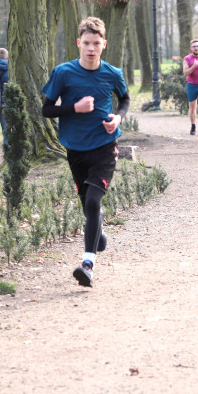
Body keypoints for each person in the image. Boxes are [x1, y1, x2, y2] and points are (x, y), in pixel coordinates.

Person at [41, 17, 130, 287]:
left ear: (104, 44)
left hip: (104, 146)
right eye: (86, 43)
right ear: (79, 43)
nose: (91, 48)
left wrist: (118, 118)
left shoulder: (112, 73)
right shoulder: (63, 73)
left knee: (93, 201)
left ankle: (88, 264)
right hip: (75, 149)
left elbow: (124, 99)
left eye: (96, 43)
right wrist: (74, 108)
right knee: (88, 204)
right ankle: (97, 230)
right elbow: (46, 110)